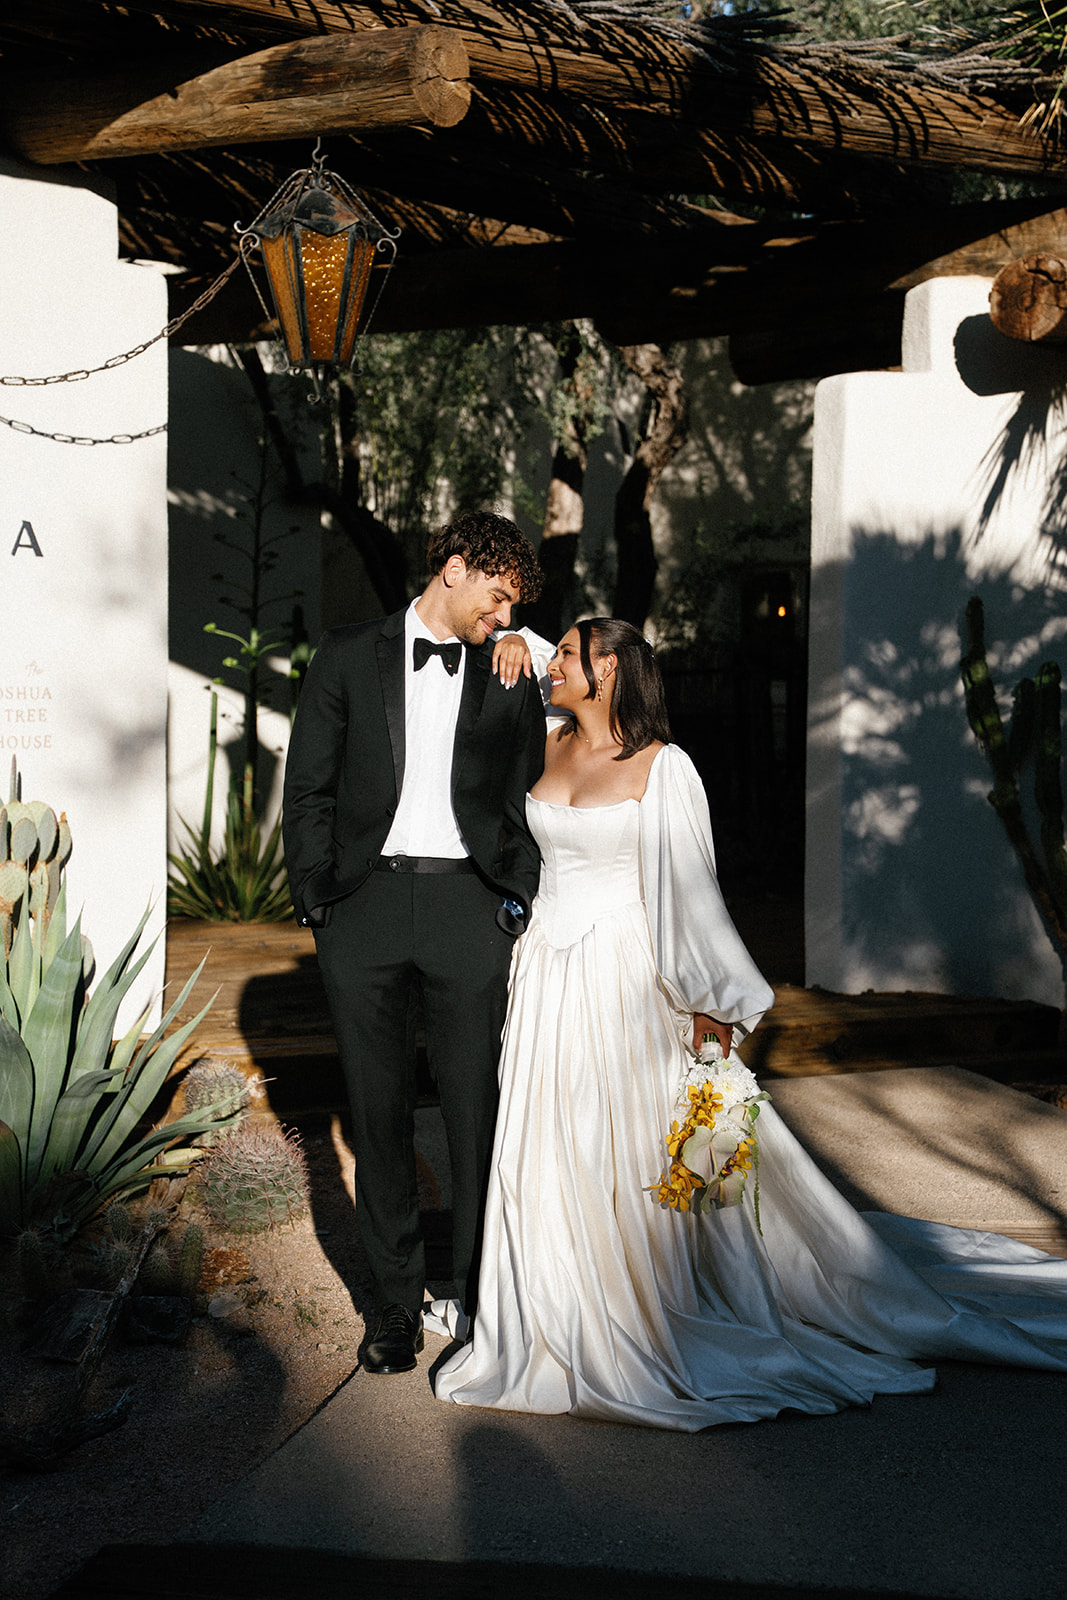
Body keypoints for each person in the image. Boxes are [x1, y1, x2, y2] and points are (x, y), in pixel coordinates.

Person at [435, 618, 1067, 1430]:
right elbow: (506, 657)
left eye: (568, 655)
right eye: (553, 651)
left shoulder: (665, 769)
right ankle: (547, 1302)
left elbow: (691, 893)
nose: (552, 664)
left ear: (611, 674)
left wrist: (713, 1011)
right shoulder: (547, 735)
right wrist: (521, 637)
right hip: (545, 973)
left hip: (625, 978)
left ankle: (641, 1305)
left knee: (642, 1148)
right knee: (547, 1141)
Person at [282, 511, 546, 1376]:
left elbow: (538, 776)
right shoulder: (347, 653)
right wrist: (319, 902)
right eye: (497, 595)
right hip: (363, 909)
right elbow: (310, 786)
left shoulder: (510, 666)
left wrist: (511, 896)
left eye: (514, 607)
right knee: (378, 1117)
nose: (501, 615)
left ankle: (472, 1292)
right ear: (456, 567)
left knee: (475, 1112)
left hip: (469, 908)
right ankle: (392, 1308)